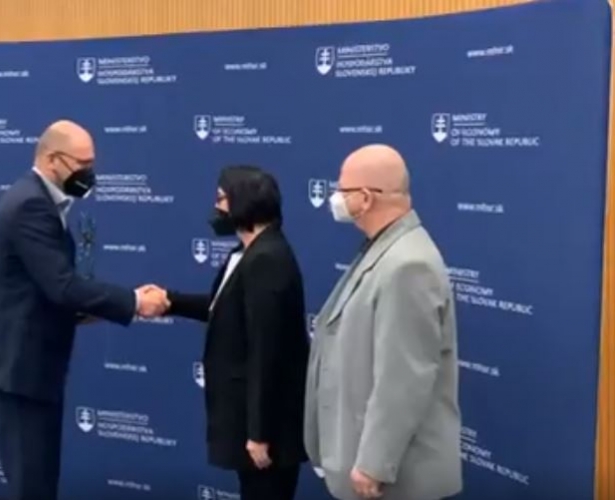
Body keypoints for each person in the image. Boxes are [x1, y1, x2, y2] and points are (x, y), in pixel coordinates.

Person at [0, 119, 168, 500]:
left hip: (29, 370)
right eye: (82, 164)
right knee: (33, 487)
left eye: (92, 164)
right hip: (17, 372)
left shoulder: (39, 200)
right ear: (51, 159)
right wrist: (135, 302)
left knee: (39, 483)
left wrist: (81, 311)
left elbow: (41, 288)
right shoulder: (30, 205)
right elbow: (62, 286)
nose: (89, 174)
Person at [303, 144, 462, 500]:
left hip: (396, 480)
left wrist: (374, 463)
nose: (334, 199)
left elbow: (404, 376)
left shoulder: (408, 265)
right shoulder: (383, 250)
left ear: (365, 198)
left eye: (342, 190)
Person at [145, 165, 310, 500]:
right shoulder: (247, 252)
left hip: (267, 430)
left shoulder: (267, 259)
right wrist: (170, 301)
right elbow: (224, 307)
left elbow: (266, 350)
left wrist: (259, 433)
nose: (216, 208)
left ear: (242, 201)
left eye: (221, 199)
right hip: (248, 421)